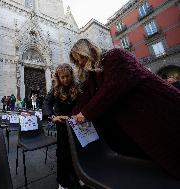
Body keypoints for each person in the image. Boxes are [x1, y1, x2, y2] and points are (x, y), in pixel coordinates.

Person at [70, 38, 180, 179]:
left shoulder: (115, 55)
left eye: (80, 58)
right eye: (77, 61)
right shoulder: (92, 75)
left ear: (88, 51)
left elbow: (112, 88)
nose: (80, 63)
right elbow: (86, 97)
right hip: (142, 121)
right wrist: (71, 116)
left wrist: (85, 113)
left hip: (162, 108)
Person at [42, 63, 80, 189]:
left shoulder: (77, 87)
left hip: (76, 123)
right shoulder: (55, 89)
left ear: (71, 75)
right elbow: (46, 104)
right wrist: (53, 117)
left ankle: (78, 175)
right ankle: (62, 181)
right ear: (58, 77)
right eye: (62, 77)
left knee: (77, 150)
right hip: (62, 124)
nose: (65, 79)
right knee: (63, 152)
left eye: (67, 76)